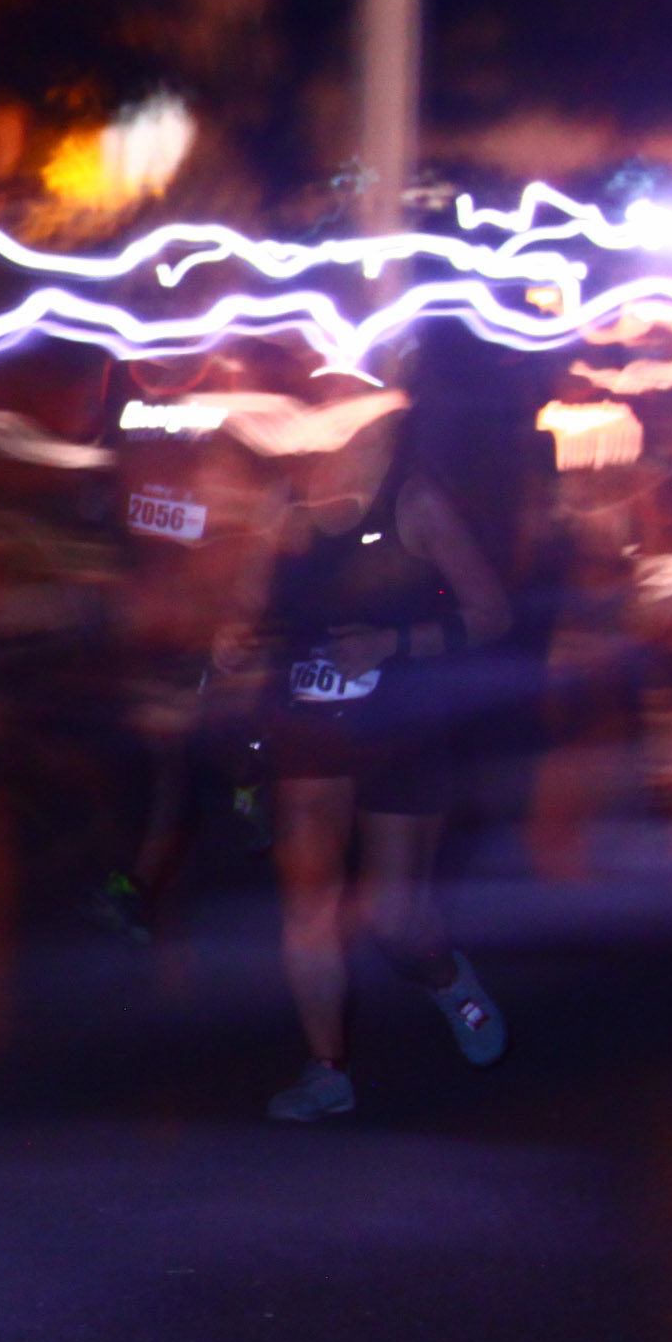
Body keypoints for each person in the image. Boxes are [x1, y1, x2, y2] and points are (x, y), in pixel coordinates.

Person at [240, 403, 516, 1121]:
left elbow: (494, 614)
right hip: (311, 724)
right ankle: (326, 1071)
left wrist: (390, 646)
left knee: (395, 918)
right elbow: (249, 607)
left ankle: (448, 979)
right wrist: (236, 642)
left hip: (403, 724)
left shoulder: (414, 501)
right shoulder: (285, 502)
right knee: (309, 903)